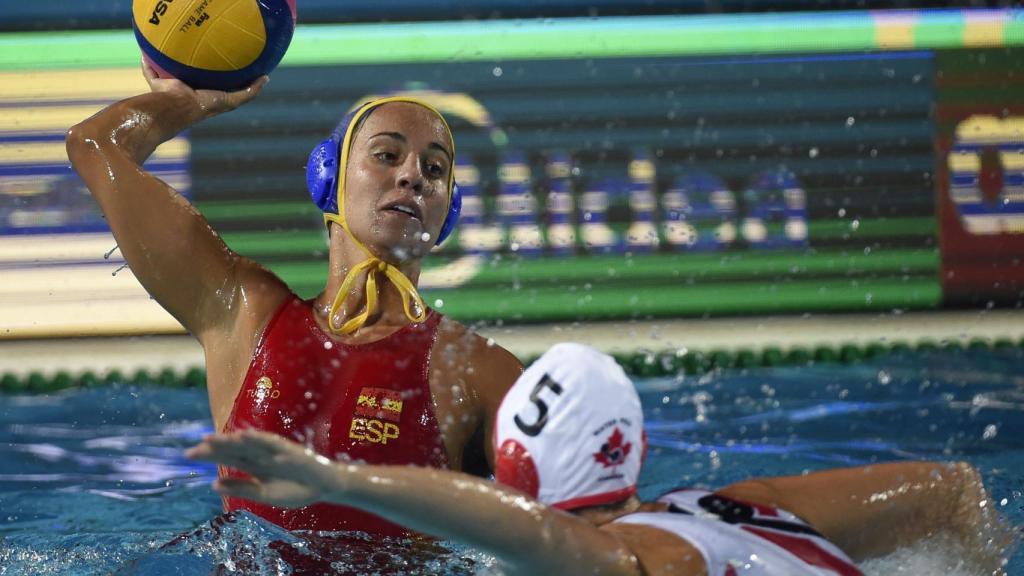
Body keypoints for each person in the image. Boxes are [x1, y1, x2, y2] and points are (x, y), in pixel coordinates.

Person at [65, 65, 522, 534]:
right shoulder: (243, 312)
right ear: (328, 176)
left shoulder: (480, 373)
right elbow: (95, 146)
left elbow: (575, 536)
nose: (412, 177)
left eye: (435, 168)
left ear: (449, 212)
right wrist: (190, 102)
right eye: (387, 155)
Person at [187, 342, 1014, 575]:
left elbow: (530, 537)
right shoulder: (740, 505)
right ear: (638, 451)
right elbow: (954, 493)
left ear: (508, 465)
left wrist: (338, 478)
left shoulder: (622, 564)